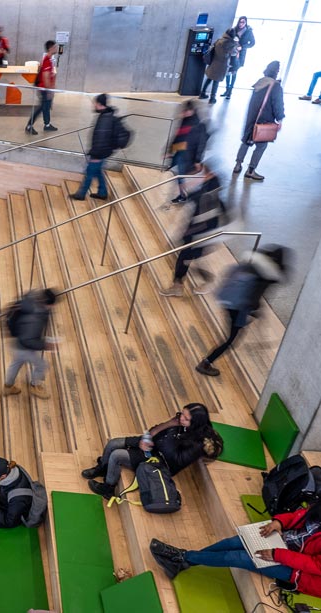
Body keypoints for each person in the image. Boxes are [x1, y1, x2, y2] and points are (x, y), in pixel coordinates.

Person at [149, 502, 321, 596]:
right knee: (233, 542)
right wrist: (279, 522)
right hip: (283, 542)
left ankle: (182, 557)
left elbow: (314, 565)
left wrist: (278, 554)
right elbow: (299, 515)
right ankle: (185, 560)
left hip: (299, 572)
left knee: (238, 558)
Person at [82, 403, 223, 499]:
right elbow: (155, 429)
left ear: (195, 422)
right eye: (182, 414)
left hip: (159, 461)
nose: (181, 418)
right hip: (152, 444)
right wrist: (148, 438)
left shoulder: (196, 443)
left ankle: (108, 488)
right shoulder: (178, 422)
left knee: (116, 455)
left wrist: (157, 441)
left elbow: (176, 461)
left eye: (186, 418)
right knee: (113, 443)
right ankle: (102, 468)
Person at [196, 245, 288, 377]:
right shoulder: (266, 278)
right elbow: (252, 298)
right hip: (238, 306)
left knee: (237, 327)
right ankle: (206, 363)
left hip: (227, 299)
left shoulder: (253, 265)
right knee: (231, 340)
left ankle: (208, 360)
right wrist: (255, 310)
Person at [159, 162, 224, 297]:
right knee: (189, 258)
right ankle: (201, 281)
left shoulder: (206, 195)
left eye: (204, 174)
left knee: (185, 258)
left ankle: (179, 286)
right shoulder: (212, 193)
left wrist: (185, 235)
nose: (202, 177)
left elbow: (202, 219)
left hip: (200, 235)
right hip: (201, 234)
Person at [234, 61, 285, 181]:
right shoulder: (275, 86)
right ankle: (251, 170)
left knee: (246, 141)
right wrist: (280, 118)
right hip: (265, 119)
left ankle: (237, 165)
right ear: (277, 72)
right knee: (261, 146)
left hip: (252, 117)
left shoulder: (260, 82)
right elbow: (277, 104)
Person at [2, 288, 57, 400]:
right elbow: (28, 341)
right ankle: (35, 385)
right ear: (49, 304)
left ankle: (8, 386)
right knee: (42, 365)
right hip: (24, 347)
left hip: (16, 342)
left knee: (15, 364)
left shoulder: (31, 299)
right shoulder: (35, 318)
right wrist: (45, 345)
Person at [72, 93, 116, 201]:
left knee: (90, 172)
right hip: (103, 152)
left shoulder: (104, 120)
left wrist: (95, 155)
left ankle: (81, 194)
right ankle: (102, 192)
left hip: (99, 153)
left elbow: (100, 139)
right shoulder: (107, 115)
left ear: (100, 104)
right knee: (98, 172)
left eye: (95, 103)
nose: (94, 105)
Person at [167, 99, 208, 204]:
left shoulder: (199, 125)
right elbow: (178, 136)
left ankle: (182, 195)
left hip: (187, 155)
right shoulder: (185, 120)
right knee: (175, 172)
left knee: (180, 174)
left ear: (191, 111)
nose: (183, 113)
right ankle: (182, 193)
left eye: (185, 111)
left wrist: (197, 160)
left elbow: (201, 144)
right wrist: (170, 150)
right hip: (180, 151)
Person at [25, 40, 59, 135]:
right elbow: (45, 77)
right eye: (55, 47)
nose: (56, 48)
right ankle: (29, 126)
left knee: (47, 107)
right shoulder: (47, 60)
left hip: (46, 88)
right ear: (50, 48)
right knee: (41, 107)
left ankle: (47, 125)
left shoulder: (49, 59)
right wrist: (49, 91)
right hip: (44, 89)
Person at [199, 29, 236, 104]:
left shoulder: (219, 41)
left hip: (214, 62)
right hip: (222, 65)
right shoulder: (231, 44)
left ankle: (202, 94)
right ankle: (212, 98)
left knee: (209, 78)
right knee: (216, 81)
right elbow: (233, 54)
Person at [222, 17, 255, 99]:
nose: (241, 24)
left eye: (243, 22)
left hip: (240, 54)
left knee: (234, 71)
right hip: (231, 52)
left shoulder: (248, 31)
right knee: (228, 71)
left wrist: (243, 47)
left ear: (246, 23)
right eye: (240, 22)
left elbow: (252, 43)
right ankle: (227, 89)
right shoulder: (234, 29)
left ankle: (230, 91)